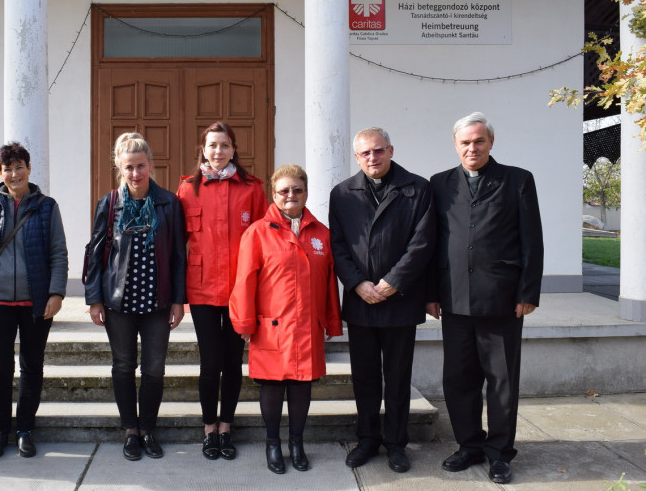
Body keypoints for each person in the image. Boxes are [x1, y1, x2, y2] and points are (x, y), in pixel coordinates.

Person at [427, 112, 544, 484]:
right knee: (458, 379)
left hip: (502, 300)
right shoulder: (439, 183)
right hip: (454, 299)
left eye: (479, 141)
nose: (472, 148)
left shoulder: (518, 180)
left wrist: (528, 292)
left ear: (491, 142)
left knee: (502, 381)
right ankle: (469, 445)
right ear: (455, 145)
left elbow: (532, 240)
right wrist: (430, 293)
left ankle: (499, 453)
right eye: (465, 142)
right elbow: (432, 242)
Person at [329, 128, 435, 473]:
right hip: (361, 301)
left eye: (378, 150)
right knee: (365, 377)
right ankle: (367, 439)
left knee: (398, 378)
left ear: (390, 150)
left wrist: (392, 283)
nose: (372, 157)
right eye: (365, 153)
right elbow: (338, 246)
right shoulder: (342, 193)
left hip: (400, 301)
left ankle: (396, 443)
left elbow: (422, 243)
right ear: (356, 157)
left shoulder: (418, 188)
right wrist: (357, 283)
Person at [230, 164, 343, 474]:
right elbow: (244, 281)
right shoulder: (258, 232)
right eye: (284, 190)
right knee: (272, 385)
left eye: (297, 189)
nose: (290, 195)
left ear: (305, 193)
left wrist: (332, 321)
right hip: (272, 326)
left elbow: (329, 282)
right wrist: (244, 322)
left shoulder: (321, 234)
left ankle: (296, 443)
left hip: (308, 325)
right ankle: (272, 443)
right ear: (274, 194)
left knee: (302, 385)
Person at [0, 142, 68, 460]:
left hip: (36, 301)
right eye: (7, 169)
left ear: (29, 168)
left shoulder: (47, 206)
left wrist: (56, 293)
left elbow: (58, 252)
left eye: (19, 167)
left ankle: (24, 430)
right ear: (0, 173)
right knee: (0, 368)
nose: (14, 174)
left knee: (32, 366)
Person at [85, 132, 186, 461]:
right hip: (119, 302)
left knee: (154, 368)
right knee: (124, 365)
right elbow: (95, 253)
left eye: (141, 166)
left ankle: (148, 429)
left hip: (158, 302)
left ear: (151, 165)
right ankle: (131, 430)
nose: (135, 173)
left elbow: (178, 255)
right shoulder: (109, 203)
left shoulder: (169, 203)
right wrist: (94, 298)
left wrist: (178, 300)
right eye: (129, 167)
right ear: (119, 167)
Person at [176, 122, 269, 461]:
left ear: (233, 150)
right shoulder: (187, 189)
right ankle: (208, 429)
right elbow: (177, 246)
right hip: (201, 289)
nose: (218, 151)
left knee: (232, 362)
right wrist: (176, 297)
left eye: (224, 145)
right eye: (212, 145)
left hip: (239, 290)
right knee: (209, 361)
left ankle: (226, 427)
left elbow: (266, 242)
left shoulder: (252, 189)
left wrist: (260, 293)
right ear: (203, 149)